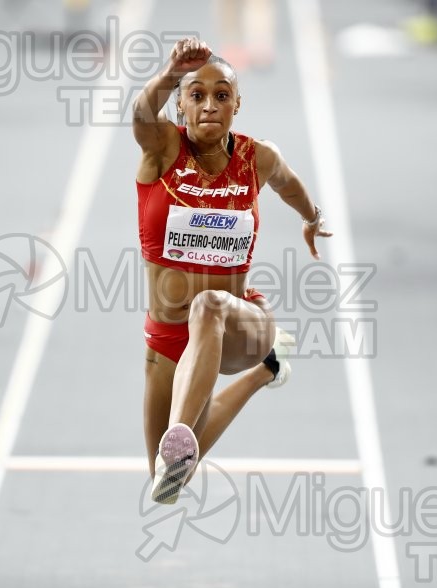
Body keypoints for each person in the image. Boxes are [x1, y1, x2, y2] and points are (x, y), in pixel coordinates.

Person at [132, 37, 332, 504]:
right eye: (196, 95)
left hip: (239, 321)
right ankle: (267, 371)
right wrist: (167, 73)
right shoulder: (162, 150)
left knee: (209, 306)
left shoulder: (254, 158)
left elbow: (288, 183)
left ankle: (184, 429)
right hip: (167, 337)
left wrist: (312, 218)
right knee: (165, 482)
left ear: (237, 103)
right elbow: (142, 113)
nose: (209, 106)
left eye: (222, 95)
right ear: (180, 104)